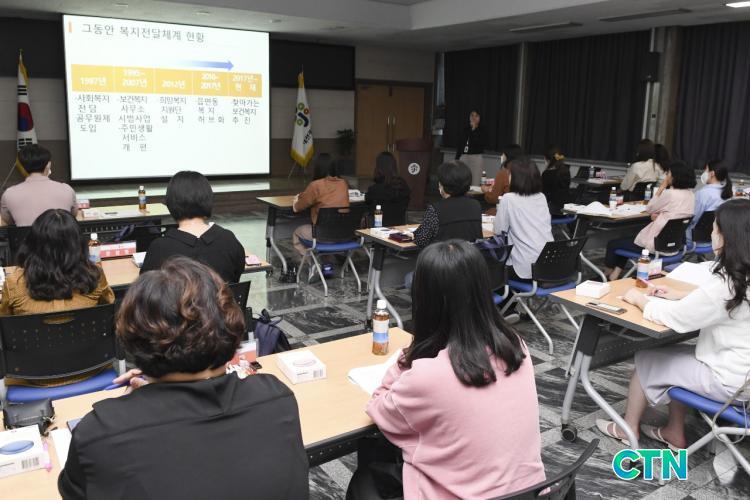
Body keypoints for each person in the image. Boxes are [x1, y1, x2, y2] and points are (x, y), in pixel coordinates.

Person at [58, 257, 309, 500]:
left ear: (132, 339)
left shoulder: (100, 433)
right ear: (231, 325)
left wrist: (129, 410)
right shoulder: (277, 397)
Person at [349, 241, 545, 499]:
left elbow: (380, 409)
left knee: (364, 480)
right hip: (528, 493)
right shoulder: (516, 345)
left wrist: (409, 356)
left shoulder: (429, 375)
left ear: (424, 300)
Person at [596, 199, 750, 451]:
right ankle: (673, 432)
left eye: (715, 229)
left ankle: (627, 429)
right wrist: (683, 295)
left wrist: (639, 299)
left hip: (730, 382)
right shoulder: (739, 278)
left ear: (727, 237)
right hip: (741, 374)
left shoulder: (726, 284)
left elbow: (673, 318)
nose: (712, 234)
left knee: (646, 357)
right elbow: (724, 302)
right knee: (675, 358)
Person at [0, 209, 114, 316]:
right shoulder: (94, 276)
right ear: (78, 244)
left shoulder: (14, 283)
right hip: (85, 330)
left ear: (32, 244)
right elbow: (108, 310)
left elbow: (4, 321)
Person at [141, 171, 245, 283]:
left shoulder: (159, 248)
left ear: (170, 203)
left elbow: (147, 287)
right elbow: (236, 278)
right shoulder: (228, 239)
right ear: (208, 199)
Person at [604, 161, 696, 281]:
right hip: (674, 246)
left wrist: (661, 188)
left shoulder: (669, 194)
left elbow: (650, 208)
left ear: (674, 177)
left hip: (656, 246)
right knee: (629, 239)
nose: (666, 176)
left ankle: (606, 275)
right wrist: (661, 216)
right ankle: (615, 274)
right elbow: (675, 215)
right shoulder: (691, 195)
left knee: (613, 244)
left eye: (668, 173)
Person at [494, 157, 554, 281]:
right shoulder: (541, 197)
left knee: (489, 266)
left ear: (515, 178)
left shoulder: (508, 199)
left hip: (524, 268)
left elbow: (499, 231)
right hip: (548, 264)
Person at [0, 144, 78, 226]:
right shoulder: (67, 190)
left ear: (22, 166)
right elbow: (72, 217)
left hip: (27, 235)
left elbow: (9, 222)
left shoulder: (9, 194)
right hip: (60, 234)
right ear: (48, 165)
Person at [413, 162, 482, 248]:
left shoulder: (436, 209)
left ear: (443, 185)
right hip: (470, 254)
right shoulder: (475, 205)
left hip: (445, 255)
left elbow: (421, 240)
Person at [292, 153, 349, 255]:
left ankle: (308, 262)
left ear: (317, 168)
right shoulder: (343, 183)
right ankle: (326, 260)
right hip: (343, 234)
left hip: (321, 235)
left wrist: (296, 199)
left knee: (297, 232)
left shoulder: (315, 185)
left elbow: (297, 208)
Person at [686, 160, 732, 246]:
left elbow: (693, 218)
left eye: (706, 170)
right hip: (717, 238)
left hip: (696, 238)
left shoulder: (703, 193)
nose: (704, 173)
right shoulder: (727, 193)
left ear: (712, 173)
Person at [364, 151, 411, 225]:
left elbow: (368, 203)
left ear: (378, 167)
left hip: (378, 227)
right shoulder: (402, 185)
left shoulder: (375, 189)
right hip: (399, 226)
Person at [482, 144, 524, 213]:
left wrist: (486, 191)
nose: (501, 156)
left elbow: (494, 198)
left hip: (507, 210)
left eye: (503, 154)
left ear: (507, 156)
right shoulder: (526, 172)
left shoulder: (504, 173)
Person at [454, 109, 485, 186]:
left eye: (476, 116)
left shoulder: (482, 130)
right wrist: (457, 159)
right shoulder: (465, 129)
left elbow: (479, 143)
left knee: (475, 183)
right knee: (462, 182)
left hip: (476, 158)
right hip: (464, 157)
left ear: (480, 118)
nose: (474, 118)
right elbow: (460, 145)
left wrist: (474, 129)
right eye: (472, 115)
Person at [541, 146, 572, 215]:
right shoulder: (566, 171)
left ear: (548, 160)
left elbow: (544, 193)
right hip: (566, 207)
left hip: (551, 209)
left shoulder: (546, 174)